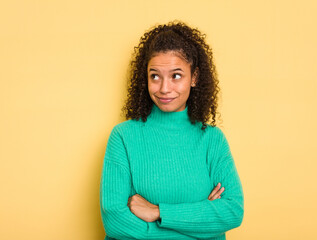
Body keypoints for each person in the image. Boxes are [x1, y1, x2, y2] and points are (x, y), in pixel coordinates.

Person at [99, 21, 244, 240]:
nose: (164, 88)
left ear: (194, 77)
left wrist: (158, 212)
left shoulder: (212, 139)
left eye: (176, 75)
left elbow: (232, 211)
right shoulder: (123, 137)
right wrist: (200, 221)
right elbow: (115, 221)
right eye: (155, 76)